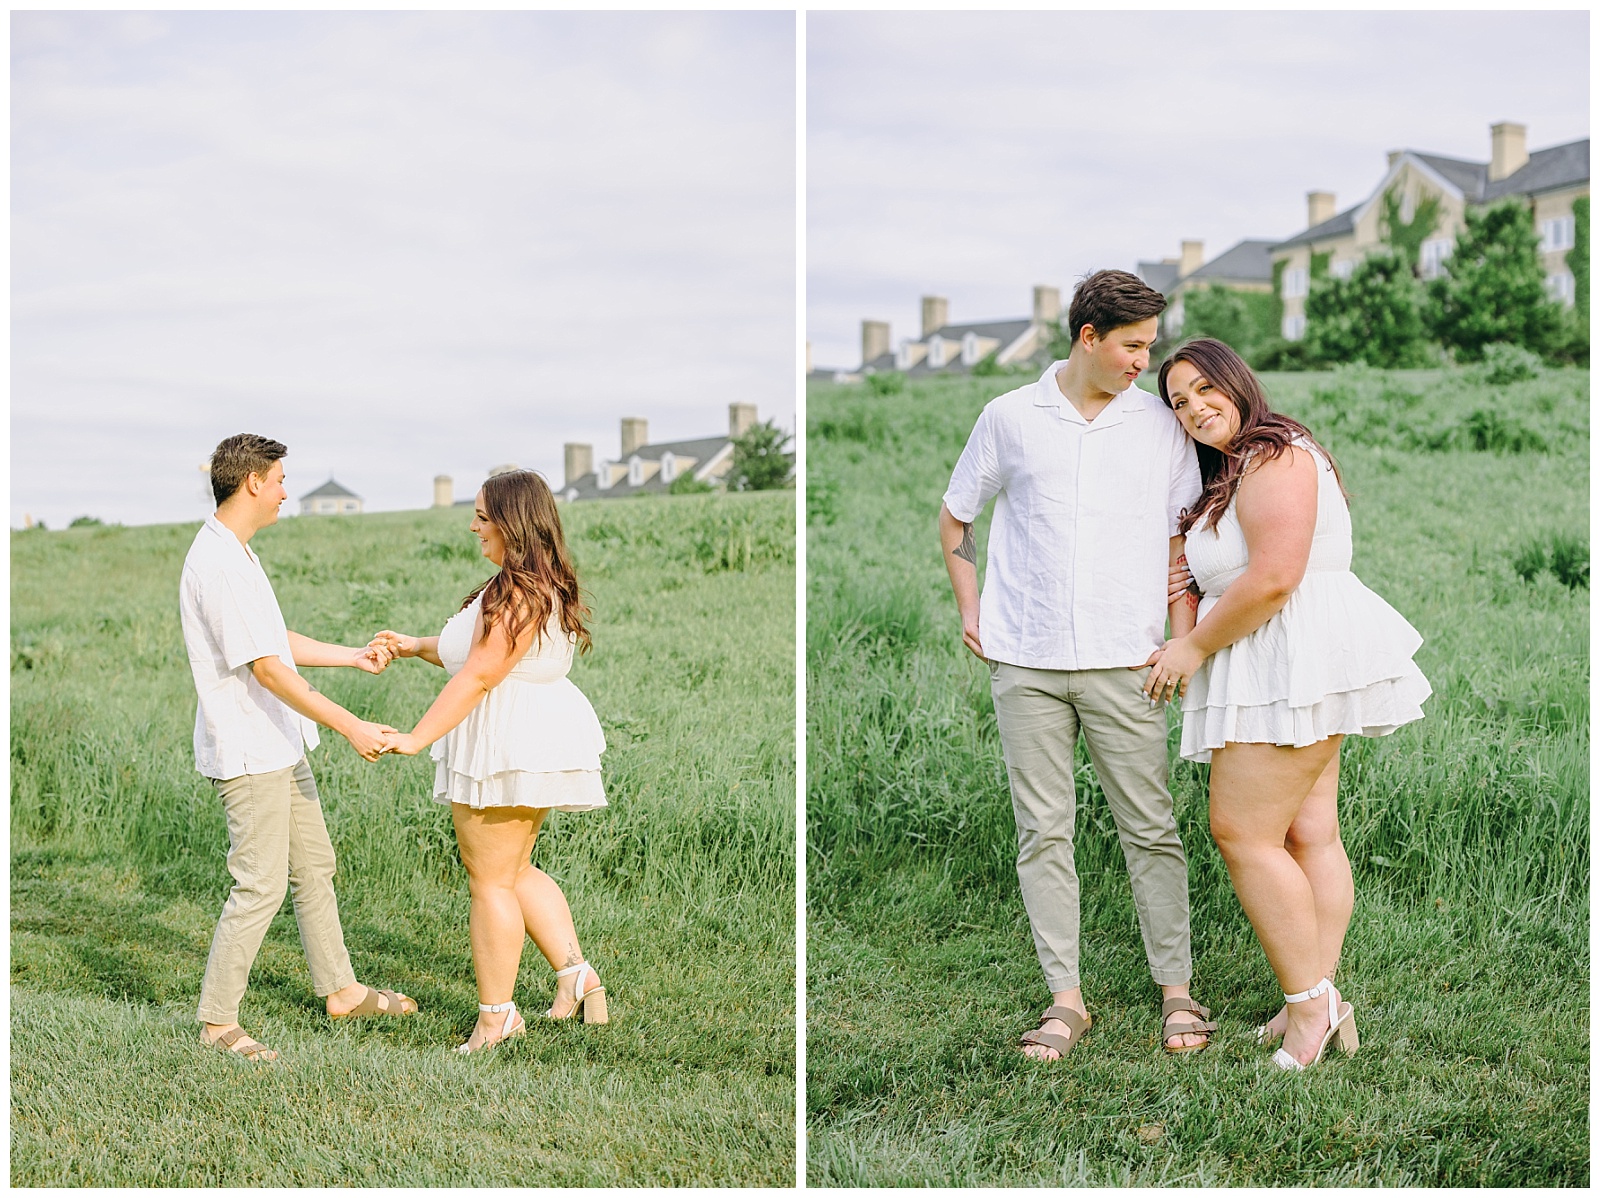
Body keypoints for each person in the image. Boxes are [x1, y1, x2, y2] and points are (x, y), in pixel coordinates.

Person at [938, 269, 1216, 1059]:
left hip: (1127, 663)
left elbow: (1177, 549)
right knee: (1042, 833)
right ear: (1087, 337)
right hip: (1024, 662)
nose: (1143, 361)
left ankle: (1178, 991)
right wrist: (971, 609)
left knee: (1151, 829)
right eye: (1132, 346)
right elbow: (957, 517)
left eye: (1150, 347)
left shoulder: (1161, 429)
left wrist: (1180, 640)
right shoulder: (1008, 418)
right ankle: (1067, 1001)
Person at [1146, 338, 1430, 1070]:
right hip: (1276, 657)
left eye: (1205, 389)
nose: (1194, 407)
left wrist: (1192, 650)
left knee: (1241, 830)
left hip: (1291, 654)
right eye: (1178, 401)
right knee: (1309, 832)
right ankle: (1319, 995)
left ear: (1239, 383)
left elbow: (1274, 577)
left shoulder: (1275, 453)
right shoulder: (1233, 469)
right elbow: (1210, 580)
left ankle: (1310, 1007)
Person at [180, 433, 418, 1064]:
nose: (287, 491)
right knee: (259, 885)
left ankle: (340, 990)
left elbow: (273, 638)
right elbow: (269, 670)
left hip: (278, 743)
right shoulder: (219, 563)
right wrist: (353, 726)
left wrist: (352, 657)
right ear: (252, 482)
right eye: (281, 479)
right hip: (249, 752)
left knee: (315, 866)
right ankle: (216, 1023)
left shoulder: (239, 553)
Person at [371, 469, 608, 1054]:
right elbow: (469, 656)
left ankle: (497, 1018)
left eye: (483, 515)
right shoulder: (526, 585)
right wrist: (413, 645)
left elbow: (480, 674)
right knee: (516, 870)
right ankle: (578, 979)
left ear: (513, 522)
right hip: (528, 738)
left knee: (491, 881)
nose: (474, 525)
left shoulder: (518, 592)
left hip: (507, 742)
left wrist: (416, 737)